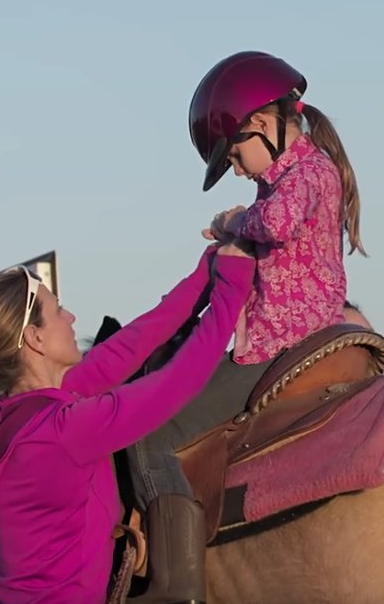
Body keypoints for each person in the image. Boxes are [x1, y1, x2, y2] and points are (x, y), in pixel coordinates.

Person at [127, 50, 367, 603]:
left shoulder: (309, 171)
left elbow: (279, 224)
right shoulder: (289, 179)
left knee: (146, 432)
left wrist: (233, 221)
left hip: (278, 342)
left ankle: (176, 586)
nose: (234, 166)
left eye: (234, 152)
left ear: (261, 123)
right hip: (286, 332)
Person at [0, 242, 254, 604]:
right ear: (35, 338)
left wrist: (211, 266)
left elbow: (130, 345)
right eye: (58, 310)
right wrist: (234, 282)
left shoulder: (13, 414)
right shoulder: (60, 432)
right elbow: (177, 382)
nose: (71, 317)